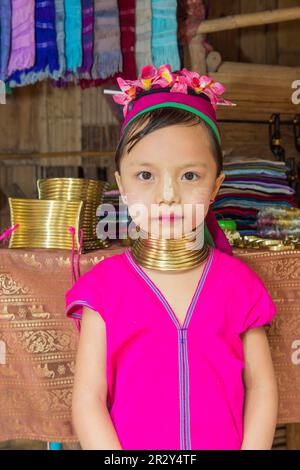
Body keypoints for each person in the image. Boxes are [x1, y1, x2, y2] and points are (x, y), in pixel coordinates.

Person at [65, 64, 278, 450]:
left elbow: (261, 387)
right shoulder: (103, 289)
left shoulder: (239, 285)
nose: (168, 195)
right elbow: (88, 400)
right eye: (145, 176)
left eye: (189, 176)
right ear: (121, 186)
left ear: (216, 185)